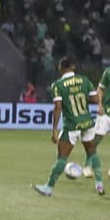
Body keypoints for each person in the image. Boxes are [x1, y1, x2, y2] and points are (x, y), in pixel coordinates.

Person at [33, 57, 103, 196]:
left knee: (62, 158)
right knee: (92, 153)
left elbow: (57, 107)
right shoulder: (84, 80)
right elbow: (95, 99)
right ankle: (99, 184)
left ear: (61, 68)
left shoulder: (58, 85)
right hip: (87, 123)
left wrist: (54, 129)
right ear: (73, 67)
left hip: (71, 125)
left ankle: (48, 188)